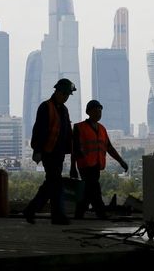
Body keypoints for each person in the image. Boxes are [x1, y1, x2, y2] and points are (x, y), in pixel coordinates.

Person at [22, 78, 76, 225]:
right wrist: (37, 150)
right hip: (48, 152)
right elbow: (39, 130)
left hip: (58, 154)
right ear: (57, 91)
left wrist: (71, 152)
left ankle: (31, 210)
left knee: (51, 184)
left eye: (67, 95)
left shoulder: (63, 110)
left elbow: (67, 133)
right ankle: (57, 216)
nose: (65, 97)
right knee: (56, 183)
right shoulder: (46, 107)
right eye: (64, 94)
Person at [70, 99, 128, 220]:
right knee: (94, 188)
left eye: (100, 111)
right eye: (96, 111)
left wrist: (121, 161)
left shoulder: (102, 129)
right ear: (88, 112)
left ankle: (79, 213)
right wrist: (72, 168)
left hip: (96, 165)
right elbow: (74, 149)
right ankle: (100, 212)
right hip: (85, 165)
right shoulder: (79, 127)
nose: (99, 113)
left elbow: (109, 147)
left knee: (88, 190)